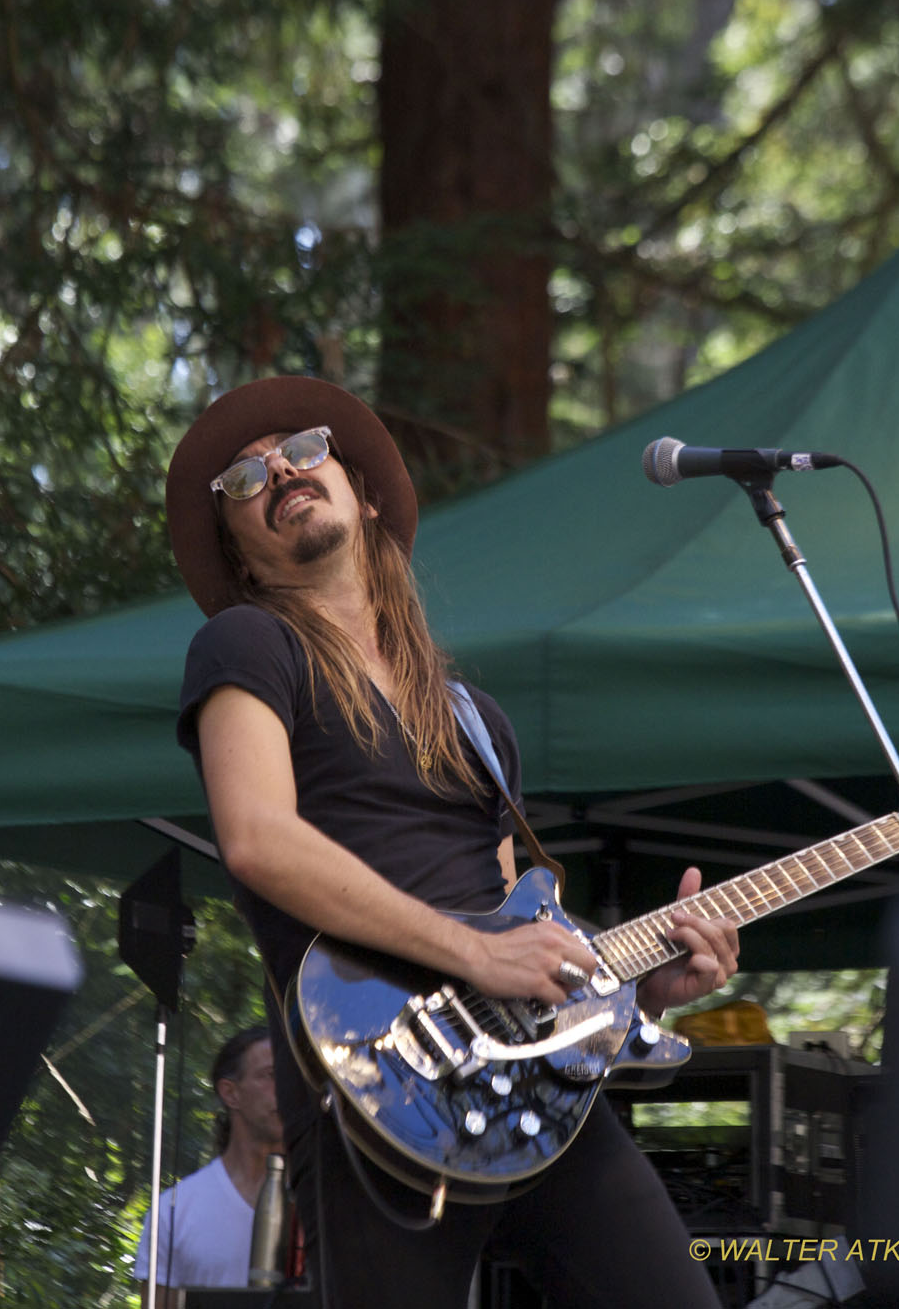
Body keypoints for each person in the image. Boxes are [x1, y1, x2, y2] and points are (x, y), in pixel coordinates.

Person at [164, 375, 740, 1309]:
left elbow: (519, 921)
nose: (277, 470)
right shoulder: (247, 645)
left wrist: (634, 989)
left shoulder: (475, 718)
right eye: (244, 478)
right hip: (373, 1092)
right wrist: (476, 951)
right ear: (243, 552)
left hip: (536, 1098)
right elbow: (260, 839)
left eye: (302, 450)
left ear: (368, 493)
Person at [133, 1025, 285, 1301]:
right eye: (272, 1075)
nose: (287, 1088)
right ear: (230, 1093)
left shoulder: (325, 1203)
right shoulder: (174, 1212)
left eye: (293, 1077)